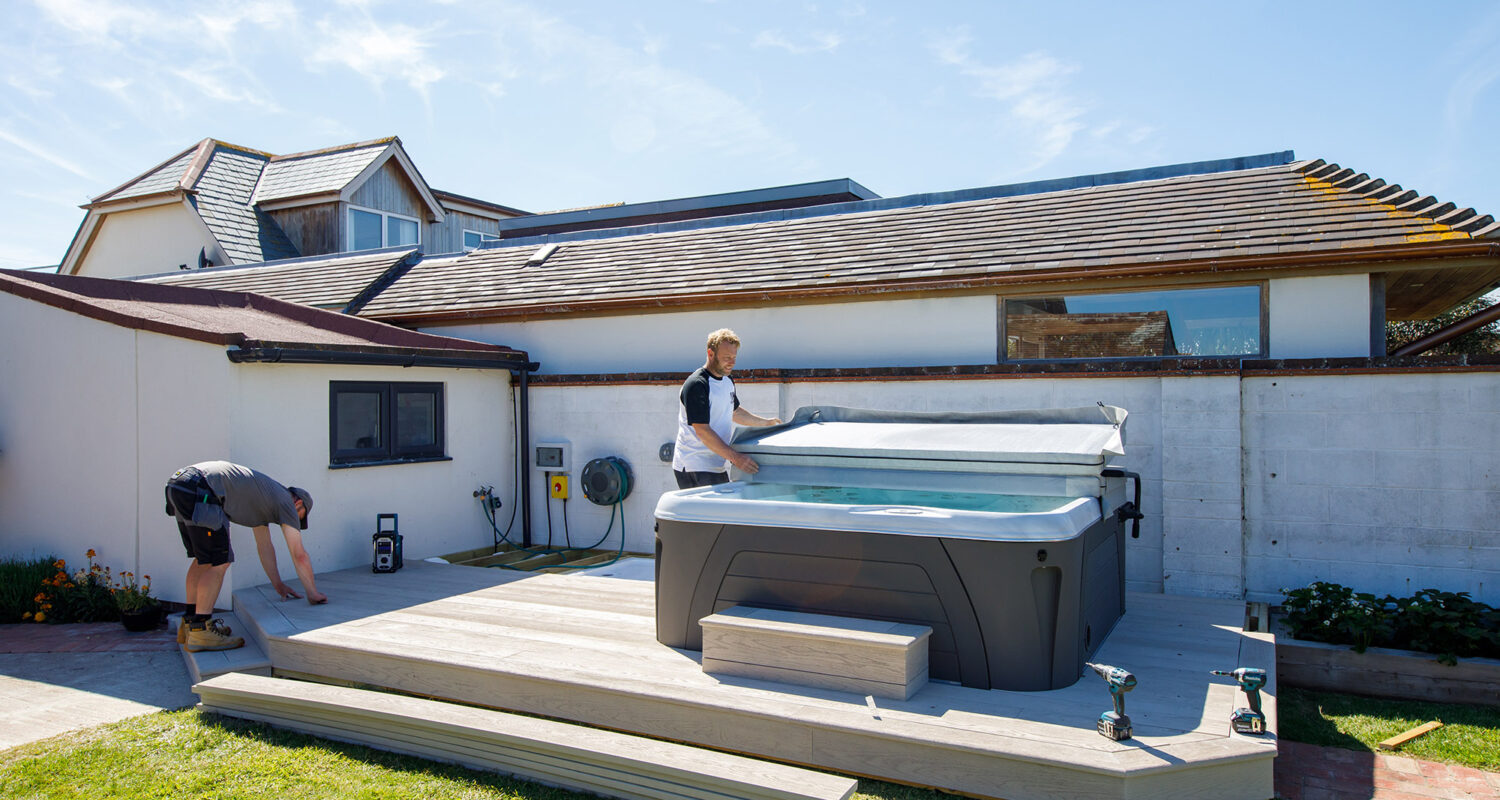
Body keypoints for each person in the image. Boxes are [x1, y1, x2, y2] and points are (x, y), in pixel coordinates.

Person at [164, 461, 326, 652]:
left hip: (179, 485)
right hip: (202, 489)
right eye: (300, 516)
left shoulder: (264, 498)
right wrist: (313, 593)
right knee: (219, 562)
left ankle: (190, 624)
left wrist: (278, 585)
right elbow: (299, 554)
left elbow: (265, 547)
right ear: (298, 503)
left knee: (203, 561)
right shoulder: (285, 501)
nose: (295, 521)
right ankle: (201, 630)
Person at [672, 329, 781, 489]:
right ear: (710, 353)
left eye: (734, 357)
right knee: (710, 514)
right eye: (727, 358)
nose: (732, 362)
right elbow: (702, 430)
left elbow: (734, 412)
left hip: (715, 464)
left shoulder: (727, 380)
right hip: (694, 465)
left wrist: (768, 423)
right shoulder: (697, 384)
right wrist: (736, 458)